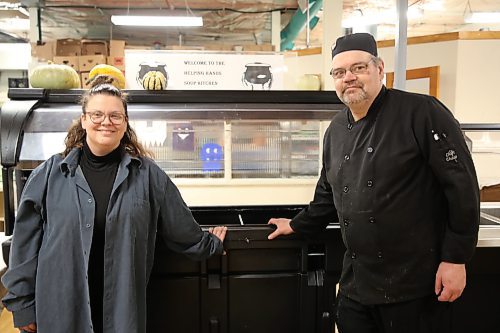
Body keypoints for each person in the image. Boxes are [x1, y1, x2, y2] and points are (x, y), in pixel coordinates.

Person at [268, 33, 479, 333]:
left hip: (416, 284)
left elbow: (462, 189)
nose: (349, 78)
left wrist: (455, 260)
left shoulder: (422, 113)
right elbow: (327, 194)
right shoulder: (336, 129)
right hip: (358, 282)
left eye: (358, 68)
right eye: (339, 73)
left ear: (380, 69)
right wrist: (297, 225)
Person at [1, 75, 227, 333]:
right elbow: (25, 244)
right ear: (84, 120)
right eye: (97, 114)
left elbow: (181, 228)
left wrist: (212, 244)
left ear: (125, 123)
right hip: (61, 308)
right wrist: (22, 304)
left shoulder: (148, 175)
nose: (105, 122)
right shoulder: (50, 174)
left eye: (115, 116)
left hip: (122, 312)